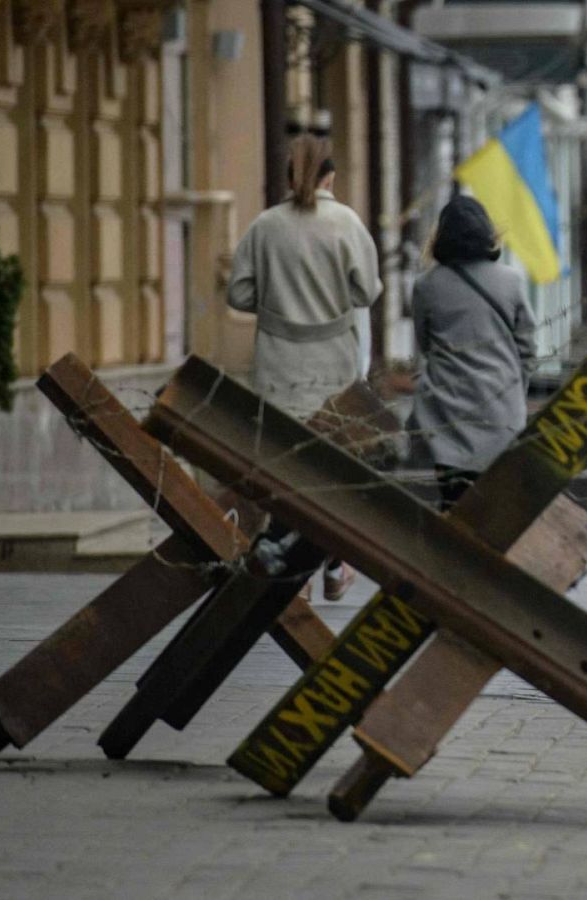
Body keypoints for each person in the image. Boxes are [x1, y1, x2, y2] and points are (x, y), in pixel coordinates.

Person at [228, 133, 381, 601]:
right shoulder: (347, 224)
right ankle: (334, 564)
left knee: (283, 469)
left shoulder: (265, 226)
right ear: (331, 175)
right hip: (331, 366)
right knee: (330, 469)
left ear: (289, 177)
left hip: (278, 367)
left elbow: (238, 295)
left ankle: (291, 580)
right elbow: (366, 292)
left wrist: (277, 303)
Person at [410, 196, 536, 509]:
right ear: (486, 233)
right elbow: (528, 349)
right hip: (502, 408)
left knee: (455, 502)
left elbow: (424, 344)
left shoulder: (426, 286)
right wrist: (514, 387)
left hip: (447, 409)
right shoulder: (511, 281)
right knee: (496, 507)